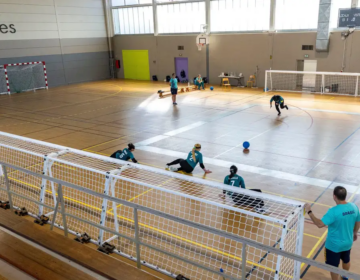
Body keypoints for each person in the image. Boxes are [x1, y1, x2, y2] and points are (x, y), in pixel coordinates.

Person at [305, 186, 360, 280]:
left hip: (334, 246)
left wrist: (309, 211)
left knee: (333, 267)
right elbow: (358, 221)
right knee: (346, 260)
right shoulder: (354, 207)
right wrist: (355, 232)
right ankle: (345, 276)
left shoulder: (333, 211)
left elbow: (319, 224)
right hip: (348, 242)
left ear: (334, 196)